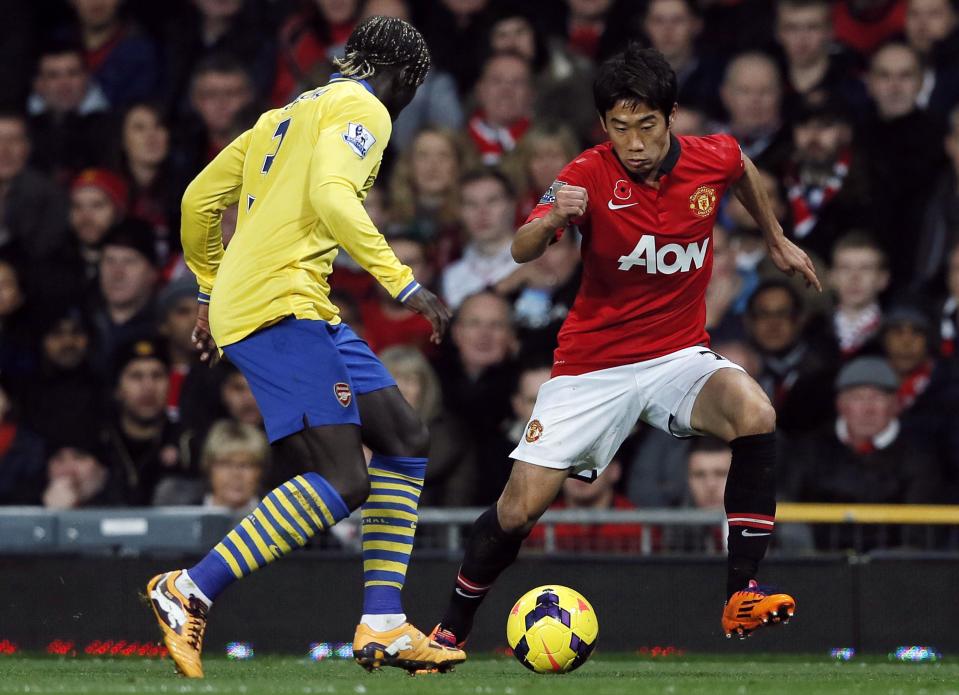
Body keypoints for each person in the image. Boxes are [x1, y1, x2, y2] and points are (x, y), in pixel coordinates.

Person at [429, 45, 820, 652]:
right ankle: (450, 629)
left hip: (677, 356)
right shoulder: (585, 173)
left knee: (756, 412)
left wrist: (775, 240)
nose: (633, 142)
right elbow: (522, 250)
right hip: (592, 366)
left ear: (671, 117)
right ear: (603, 126)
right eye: (619, 127)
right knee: (516, 512)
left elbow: (740, 164)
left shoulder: (709, 156)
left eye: (646, 125)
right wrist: (551, 218)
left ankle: (740, 595)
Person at [145, 17, 464, 678]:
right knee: (345, 477)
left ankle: (382, 623)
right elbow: (330, 193)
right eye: (409, 88)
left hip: (288, 301)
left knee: (403, 434)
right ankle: (190, 588)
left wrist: (209, 289)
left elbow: (198, 200)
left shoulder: (282, 115)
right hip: (277, 301)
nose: (403, 102)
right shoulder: (364, 107)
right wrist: (403, 283)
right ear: (401, 77)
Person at [784, 356, 941, 549]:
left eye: (877, 397)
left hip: (892, 569)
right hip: (820, 567)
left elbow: (917, 534)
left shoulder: (920, 455)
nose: (868, 409)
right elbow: (788, 506)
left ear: (895, 405)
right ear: (840, 405)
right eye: (857, 398)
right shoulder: (811, 449)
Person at [379, 346, 476, 507]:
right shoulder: (357, 432)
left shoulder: (449, 436)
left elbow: (457, 500)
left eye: (410, 380)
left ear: (425, 388)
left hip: (431, 529)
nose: (401, 389)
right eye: (392, 380)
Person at [440, 169, 520, 310]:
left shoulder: (538, 260)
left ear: (512, 205)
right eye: (471, 204)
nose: (482, 212)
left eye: (492, 201)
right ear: (460, 211)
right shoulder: (452, 277)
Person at [828, 231, 888, 359]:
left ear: (883, 279)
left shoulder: (892, 336)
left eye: (866, 268)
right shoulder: (813, 332)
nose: (854, 277)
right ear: (832, 277)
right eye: (845, 268)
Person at [466, 52, 534, 165]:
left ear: (530, 93)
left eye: (517, 82)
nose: (507, 90)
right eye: (497, 81)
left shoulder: (545, 147)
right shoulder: (455, 146)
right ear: (480, 90)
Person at [199, 420, 269, 515]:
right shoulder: (181, 513)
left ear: (260, 471)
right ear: (208, 467)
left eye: (245, 465)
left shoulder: (278, 519)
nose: (236, 474)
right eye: (225, 464)